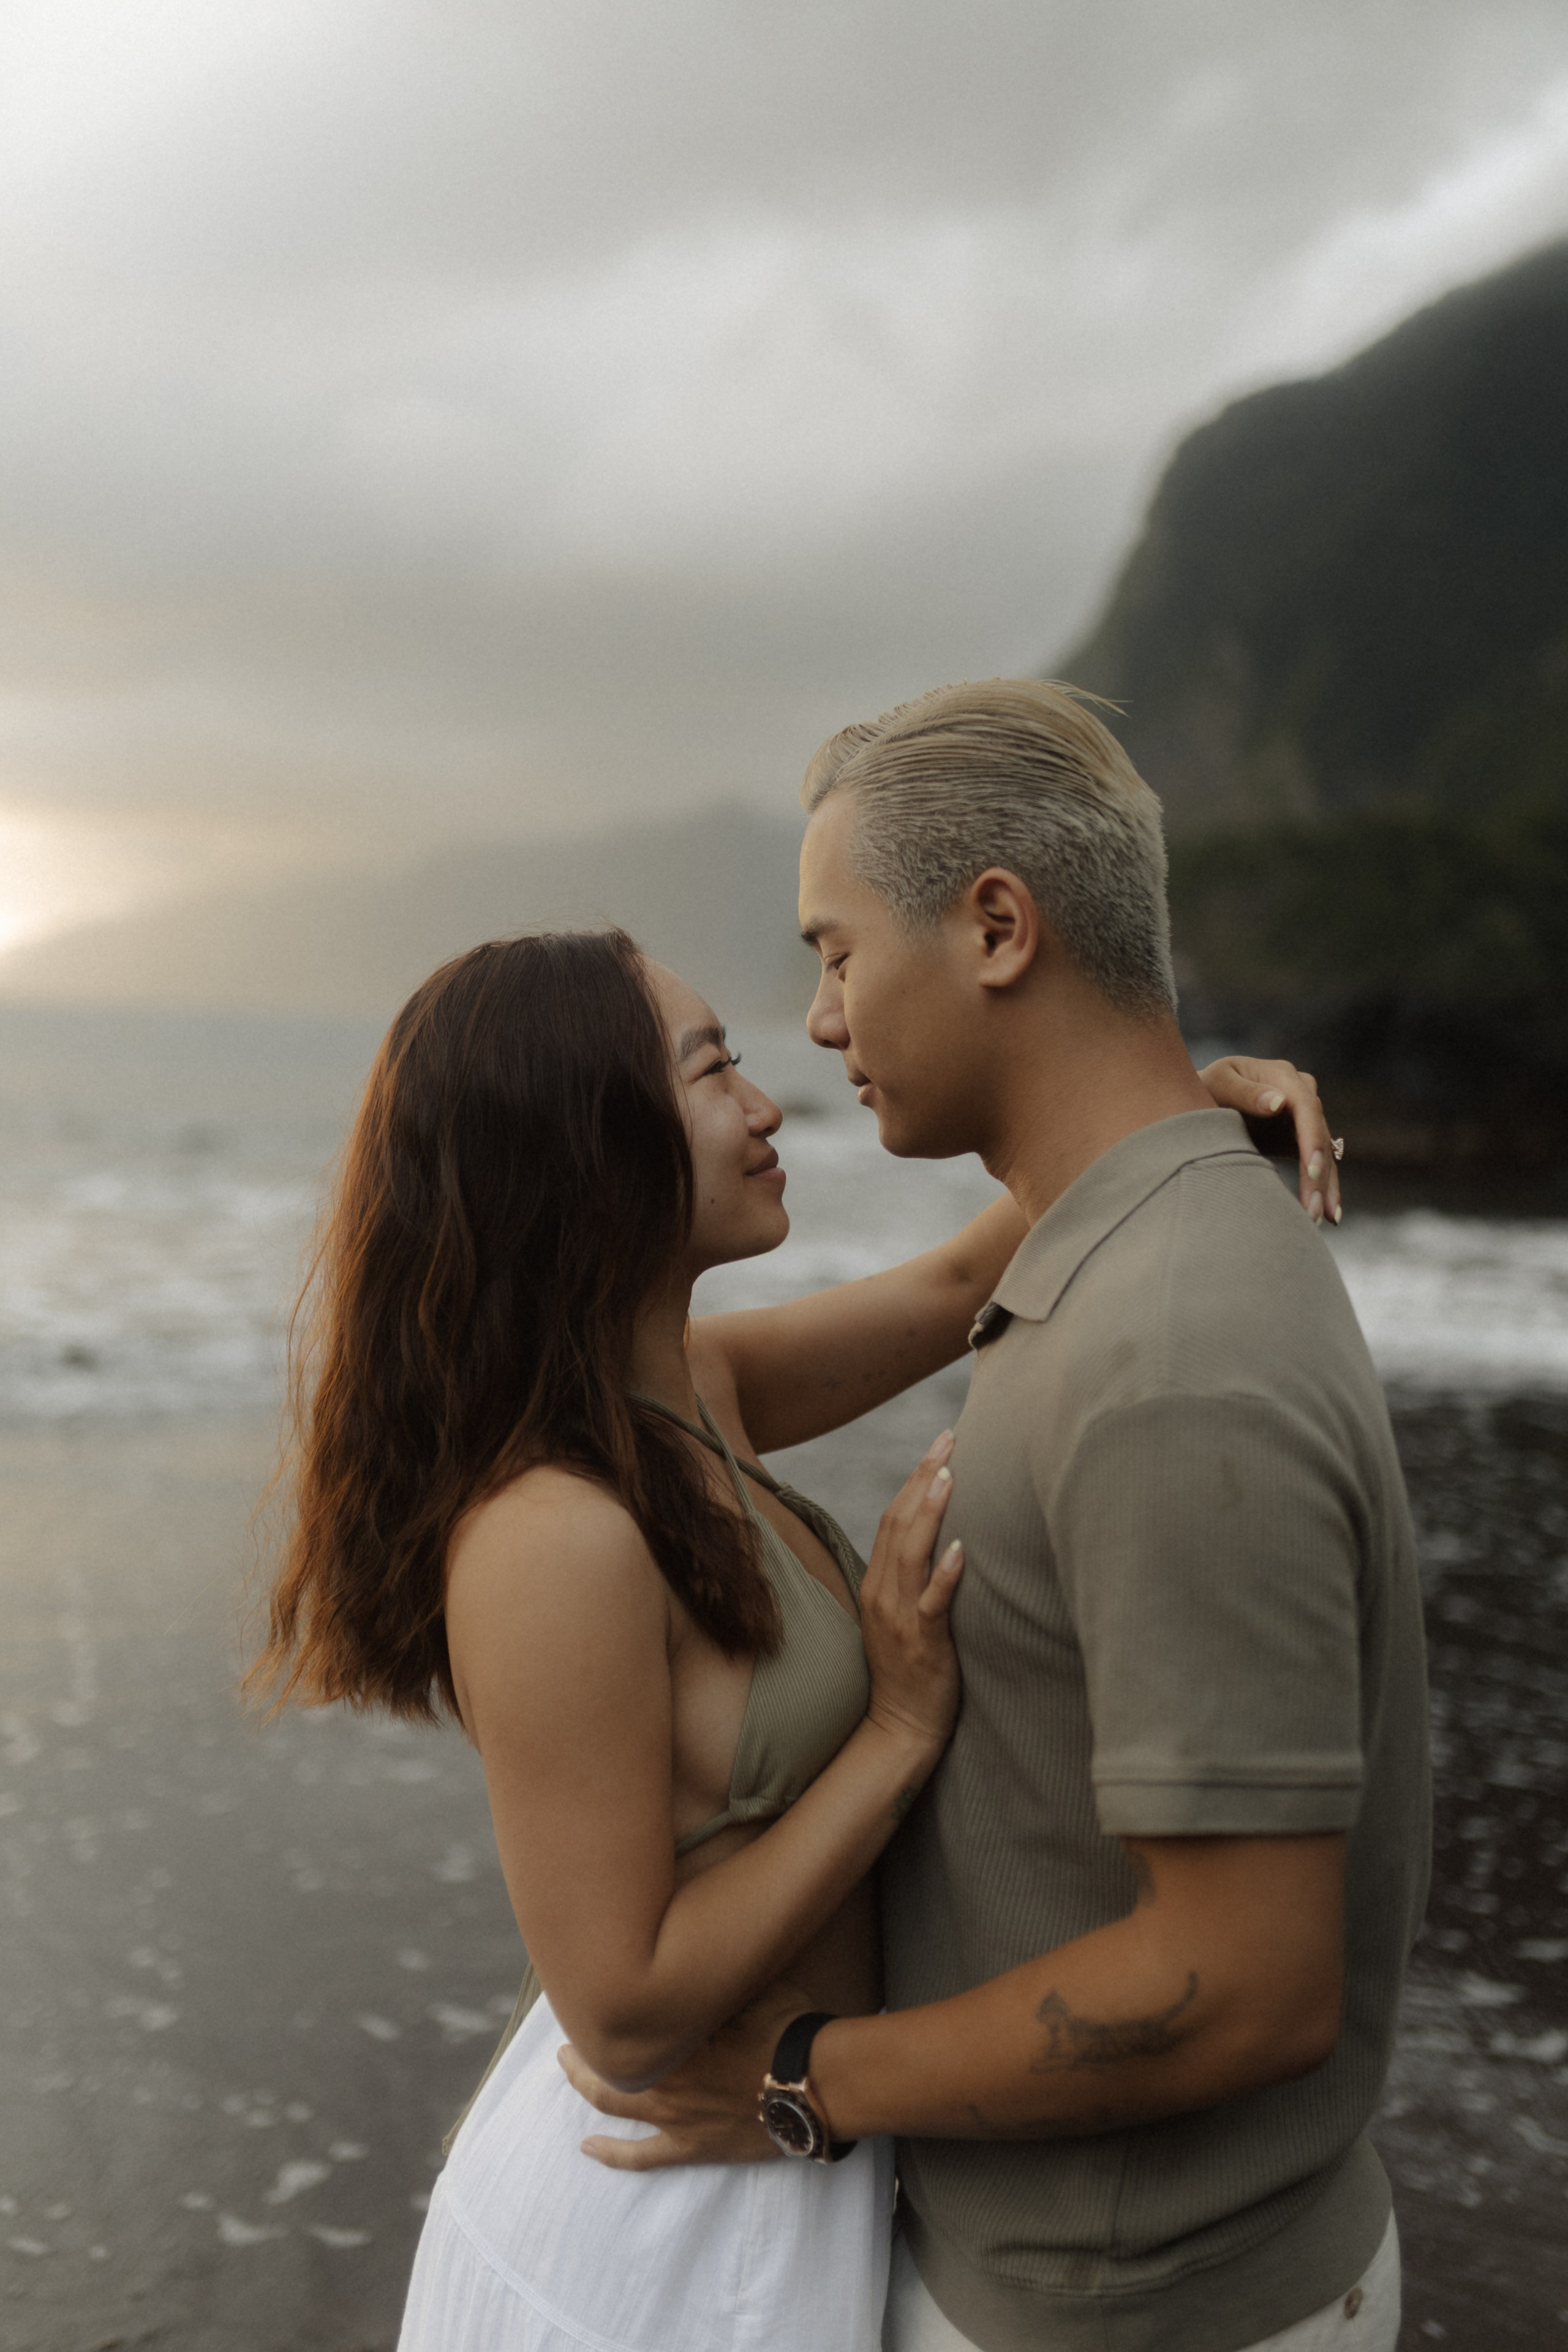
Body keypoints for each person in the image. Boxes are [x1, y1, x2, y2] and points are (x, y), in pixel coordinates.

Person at [250, 899, 1336, 2352]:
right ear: (588, 1142)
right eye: (709, 1073)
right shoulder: (548, 1533)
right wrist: (893, 1731)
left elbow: (963, 1286)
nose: (768, 1106)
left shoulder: (694, 1387)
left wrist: (1165, 1114)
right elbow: (621, 2008)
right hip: (654, 2230)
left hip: (790, 2162)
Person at [559, 680, 1430, 2352]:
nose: (817, 1022)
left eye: (832, 949)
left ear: (998, 929)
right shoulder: (1112, 1252)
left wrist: (812, 2082)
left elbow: (1248, 1981)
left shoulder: (1171, 1356)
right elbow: (780, 1344)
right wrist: (1190, 1111)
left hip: (1139, 2310)